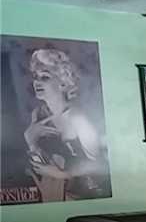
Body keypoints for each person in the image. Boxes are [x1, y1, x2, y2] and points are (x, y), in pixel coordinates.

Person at [23, 48, 109, 202]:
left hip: (80, 198)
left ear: (63, 83)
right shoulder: (38, 114)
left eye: (45, 77)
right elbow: (40, 165)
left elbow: (101, 166)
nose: (37, 82)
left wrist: (63, 174)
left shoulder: (78, 118)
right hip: (51, 193)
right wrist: (30, 140)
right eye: (36, 77)